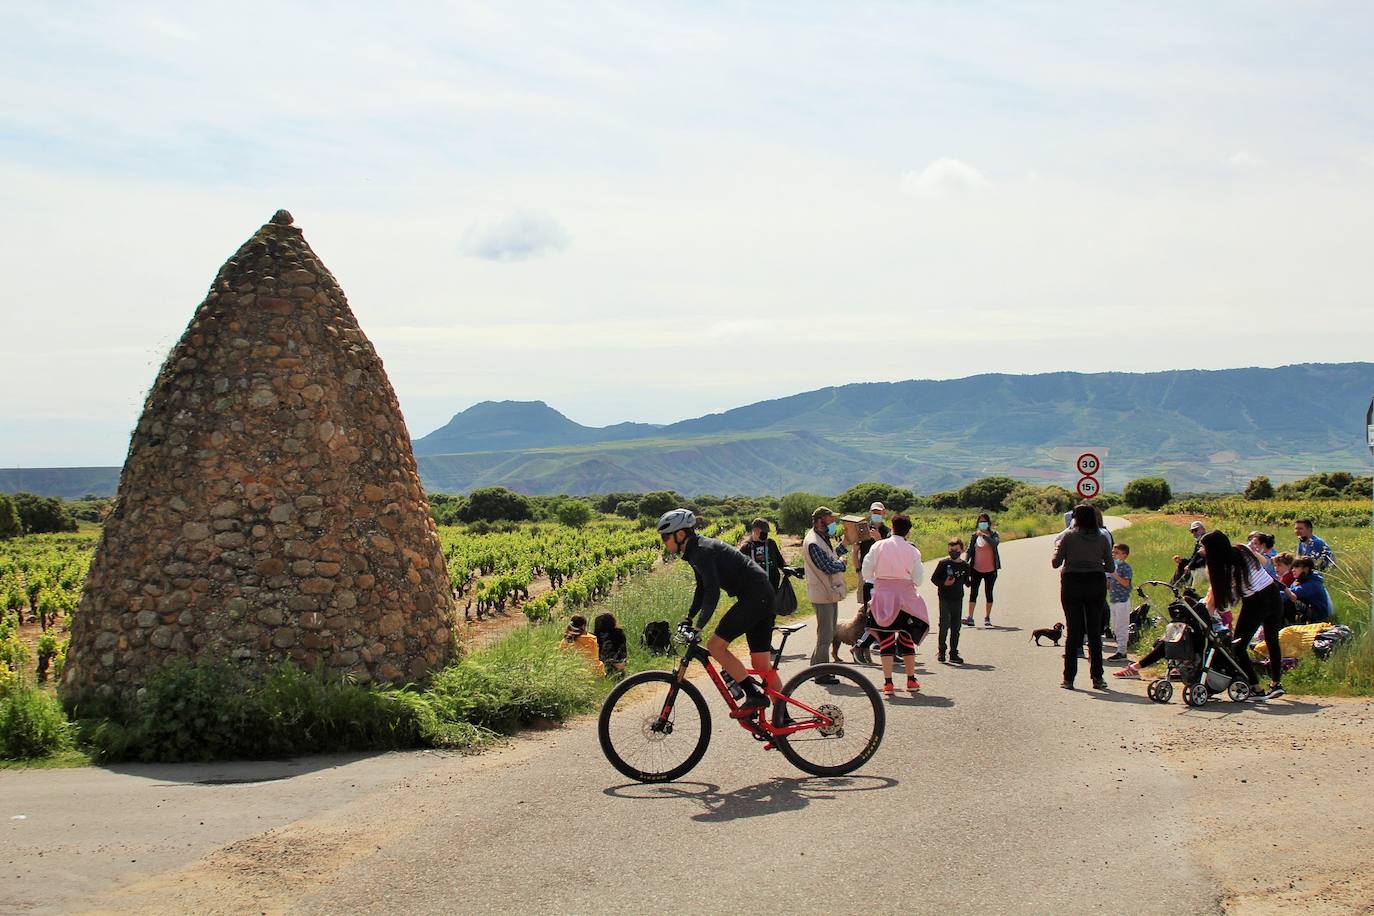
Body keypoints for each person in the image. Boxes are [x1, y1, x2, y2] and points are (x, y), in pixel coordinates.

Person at [657, 508, 780, 711]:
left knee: (715, 646)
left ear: (680, 535)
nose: (663, 542)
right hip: (760, 595)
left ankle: (753, 695)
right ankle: (782, 717)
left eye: (664, 537)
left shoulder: (701, 551)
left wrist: (699, 627)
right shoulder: (696, 549)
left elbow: (712, 592)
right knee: (761, 664)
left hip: (756, 596)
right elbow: (702, 588)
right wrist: (689, 617)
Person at [1199, 530, 1284, 701]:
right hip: (1273, 592)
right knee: (1272, 640)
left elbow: (1218, 602)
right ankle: (1276, 683)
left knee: (1238, 646)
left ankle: (1255, 687)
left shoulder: (1224, 568)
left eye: (1204, 548)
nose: (1202, 551)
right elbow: (1264, 560)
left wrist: (1204, 618)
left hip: (1256, 601)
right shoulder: (1241, 549)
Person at [860, 514, 928, 694]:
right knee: (906, 638)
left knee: (886, 640)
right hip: (906, 600)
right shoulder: (912, 551)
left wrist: (879, 580)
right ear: (908, 530)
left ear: (892, 526)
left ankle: (888, 682)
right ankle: (911, 679)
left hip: (883, 597)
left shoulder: (878, 546)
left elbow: (866, 572)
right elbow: (918, 579)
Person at [1051, 504, 1113, 690]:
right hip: (1095, 582)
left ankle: (1069, 678)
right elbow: (1110, 567)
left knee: (1073, 630)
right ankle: (1097, 677)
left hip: (1072, 582)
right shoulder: (1102, 537)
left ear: (1075, 518)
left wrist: (1058, 551)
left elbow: (1056, 563)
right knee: (1094, 632)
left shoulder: (1069, 537)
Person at [803, 506, 848, 684]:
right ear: (821, 520)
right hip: (822, 593)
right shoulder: (813, 541)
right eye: (830, 519)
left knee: (827, 633)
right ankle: (821, 674)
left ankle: (815, 668)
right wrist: (842, 564)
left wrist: (843, 546)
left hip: (827, 592)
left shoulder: (821, 538)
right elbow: (827, 566)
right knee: (825, 634)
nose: (833, 523)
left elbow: (830, 556)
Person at [931, 536, 969, 664]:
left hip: (958, 598)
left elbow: (967, 581)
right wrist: (944, 583)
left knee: (956, 626)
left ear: (962, 550)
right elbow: (934, 579)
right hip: (944, 597)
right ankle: (941, 651)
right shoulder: (943, 564)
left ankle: (953, 653)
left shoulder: (965, 566)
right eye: (951, 550)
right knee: (944, 624)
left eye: (956, 550)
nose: (953, 552)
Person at [965, 512, 1001, 627]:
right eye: (980, 521)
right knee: (973, 593)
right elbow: (970, 550)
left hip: (991, 569)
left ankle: (987, 617)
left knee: (988, 593)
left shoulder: (994, 534)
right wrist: (965, 563)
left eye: (984, 521)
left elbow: (995, 544)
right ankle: (970, 617)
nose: (982, 523)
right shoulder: (974, 535)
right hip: (976, 568)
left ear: (989, 523)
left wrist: (984, 535)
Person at [738, 518, 787, 593]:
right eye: (763, 532)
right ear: (755, 530)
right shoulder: (746, 547)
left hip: (773, 586)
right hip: (754, 589)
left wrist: (788, 569)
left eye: (766, 532)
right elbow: (739, 568)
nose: (765, 534)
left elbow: (780, 561)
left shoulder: (771, 543)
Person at [1286, 557, 1334, 623]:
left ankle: (1290, 624)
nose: (1293, 570)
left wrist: (1273, 592)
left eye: (1296, 567)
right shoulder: (1301, 580)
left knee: (1289, 600)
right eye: (1293, 567)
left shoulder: (1312, 584)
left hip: (1319, 617)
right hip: (1311, 611)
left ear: (1306, 569)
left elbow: (1290, 593)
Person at [1107, 543, 1133, 661]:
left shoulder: (1125, 567)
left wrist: (1114, 575)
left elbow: (1126, 583)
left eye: (1117, 553)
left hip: (1123, 601)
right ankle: (1119, 649)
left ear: (1124, 555)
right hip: (1114, 600)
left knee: (1121, 626)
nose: (1114, 555)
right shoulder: (1112, 567)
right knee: (1115, 626)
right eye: (1113, 552)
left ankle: (1122, 651)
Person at [1172, 521, 1207, 588]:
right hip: (1199, 566)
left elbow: (1204, 559)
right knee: (1182, 564)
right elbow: (1193, 558)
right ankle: (1174, 587)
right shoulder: (1199, 542)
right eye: (1192, 531)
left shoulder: (1207, 540)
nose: (1194, 533)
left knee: (1189, 568)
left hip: (1206, 567)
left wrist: (1190, 566)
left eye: (1196, 530)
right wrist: (1182, 560)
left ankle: (1177, 588)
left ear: (1203, 529)